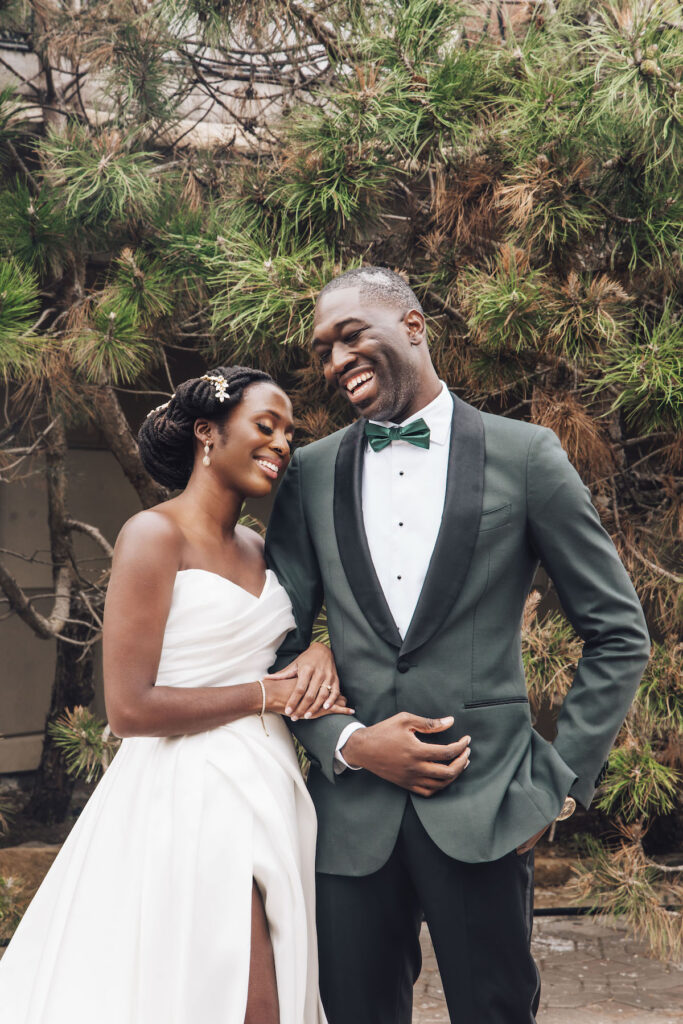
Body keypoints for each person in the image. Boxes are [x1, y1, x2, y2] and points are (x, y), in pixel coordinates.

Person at [265, 267, 651, 1024]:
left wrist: (559, 784)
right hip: (350, 822)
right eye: (321, 349)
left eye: (350, 336)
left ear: (412, 326)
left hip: (488, 807)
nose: (334, 360)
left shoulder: (528, 455)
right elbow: (273, 645)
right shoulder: (308, 475)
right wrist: (345, 742)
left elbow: (616, 630)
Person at [0, 366, 351, 1024]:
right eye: (265, 426)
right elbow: (129, 709)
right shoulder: (151, 535)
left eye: (289, 434)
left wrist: (320, 649)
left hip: (268, 783)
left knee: (265, 975)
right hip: (189, 790)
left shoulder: (261, 548)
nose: (281, 443)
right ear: (207, 433)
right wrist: (264, 696)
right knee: (237, 997)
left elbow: (288, 642)